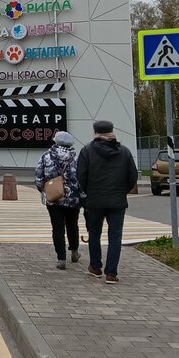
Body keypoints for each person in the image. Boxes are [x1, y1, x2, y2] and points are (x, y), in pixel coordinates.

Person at [77, 119, 139, 284]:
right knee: (115, 236)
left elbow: (80, 176)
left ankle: (95, 267)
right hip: (117, 201)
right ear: (112, 132)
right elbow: (133, 176)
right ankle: (111, 273)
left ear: (95, 132)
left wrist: (89, 193)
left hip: (94, 201)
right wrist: (122, 191)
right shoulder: (124, 152)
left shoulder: (87, 151)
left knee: (94, 233)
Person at [34, 131, 82, 270]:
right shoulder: (77, 158)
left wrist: (44, 191)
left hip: (54, 199)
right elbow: (82, 178)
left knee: (57, 228)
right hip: (73, 199)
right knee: (73, 225)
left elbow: (39, 178)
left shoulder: (46, 156)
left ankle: (61, 259)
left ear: (55, 141)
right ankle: (74, 252)